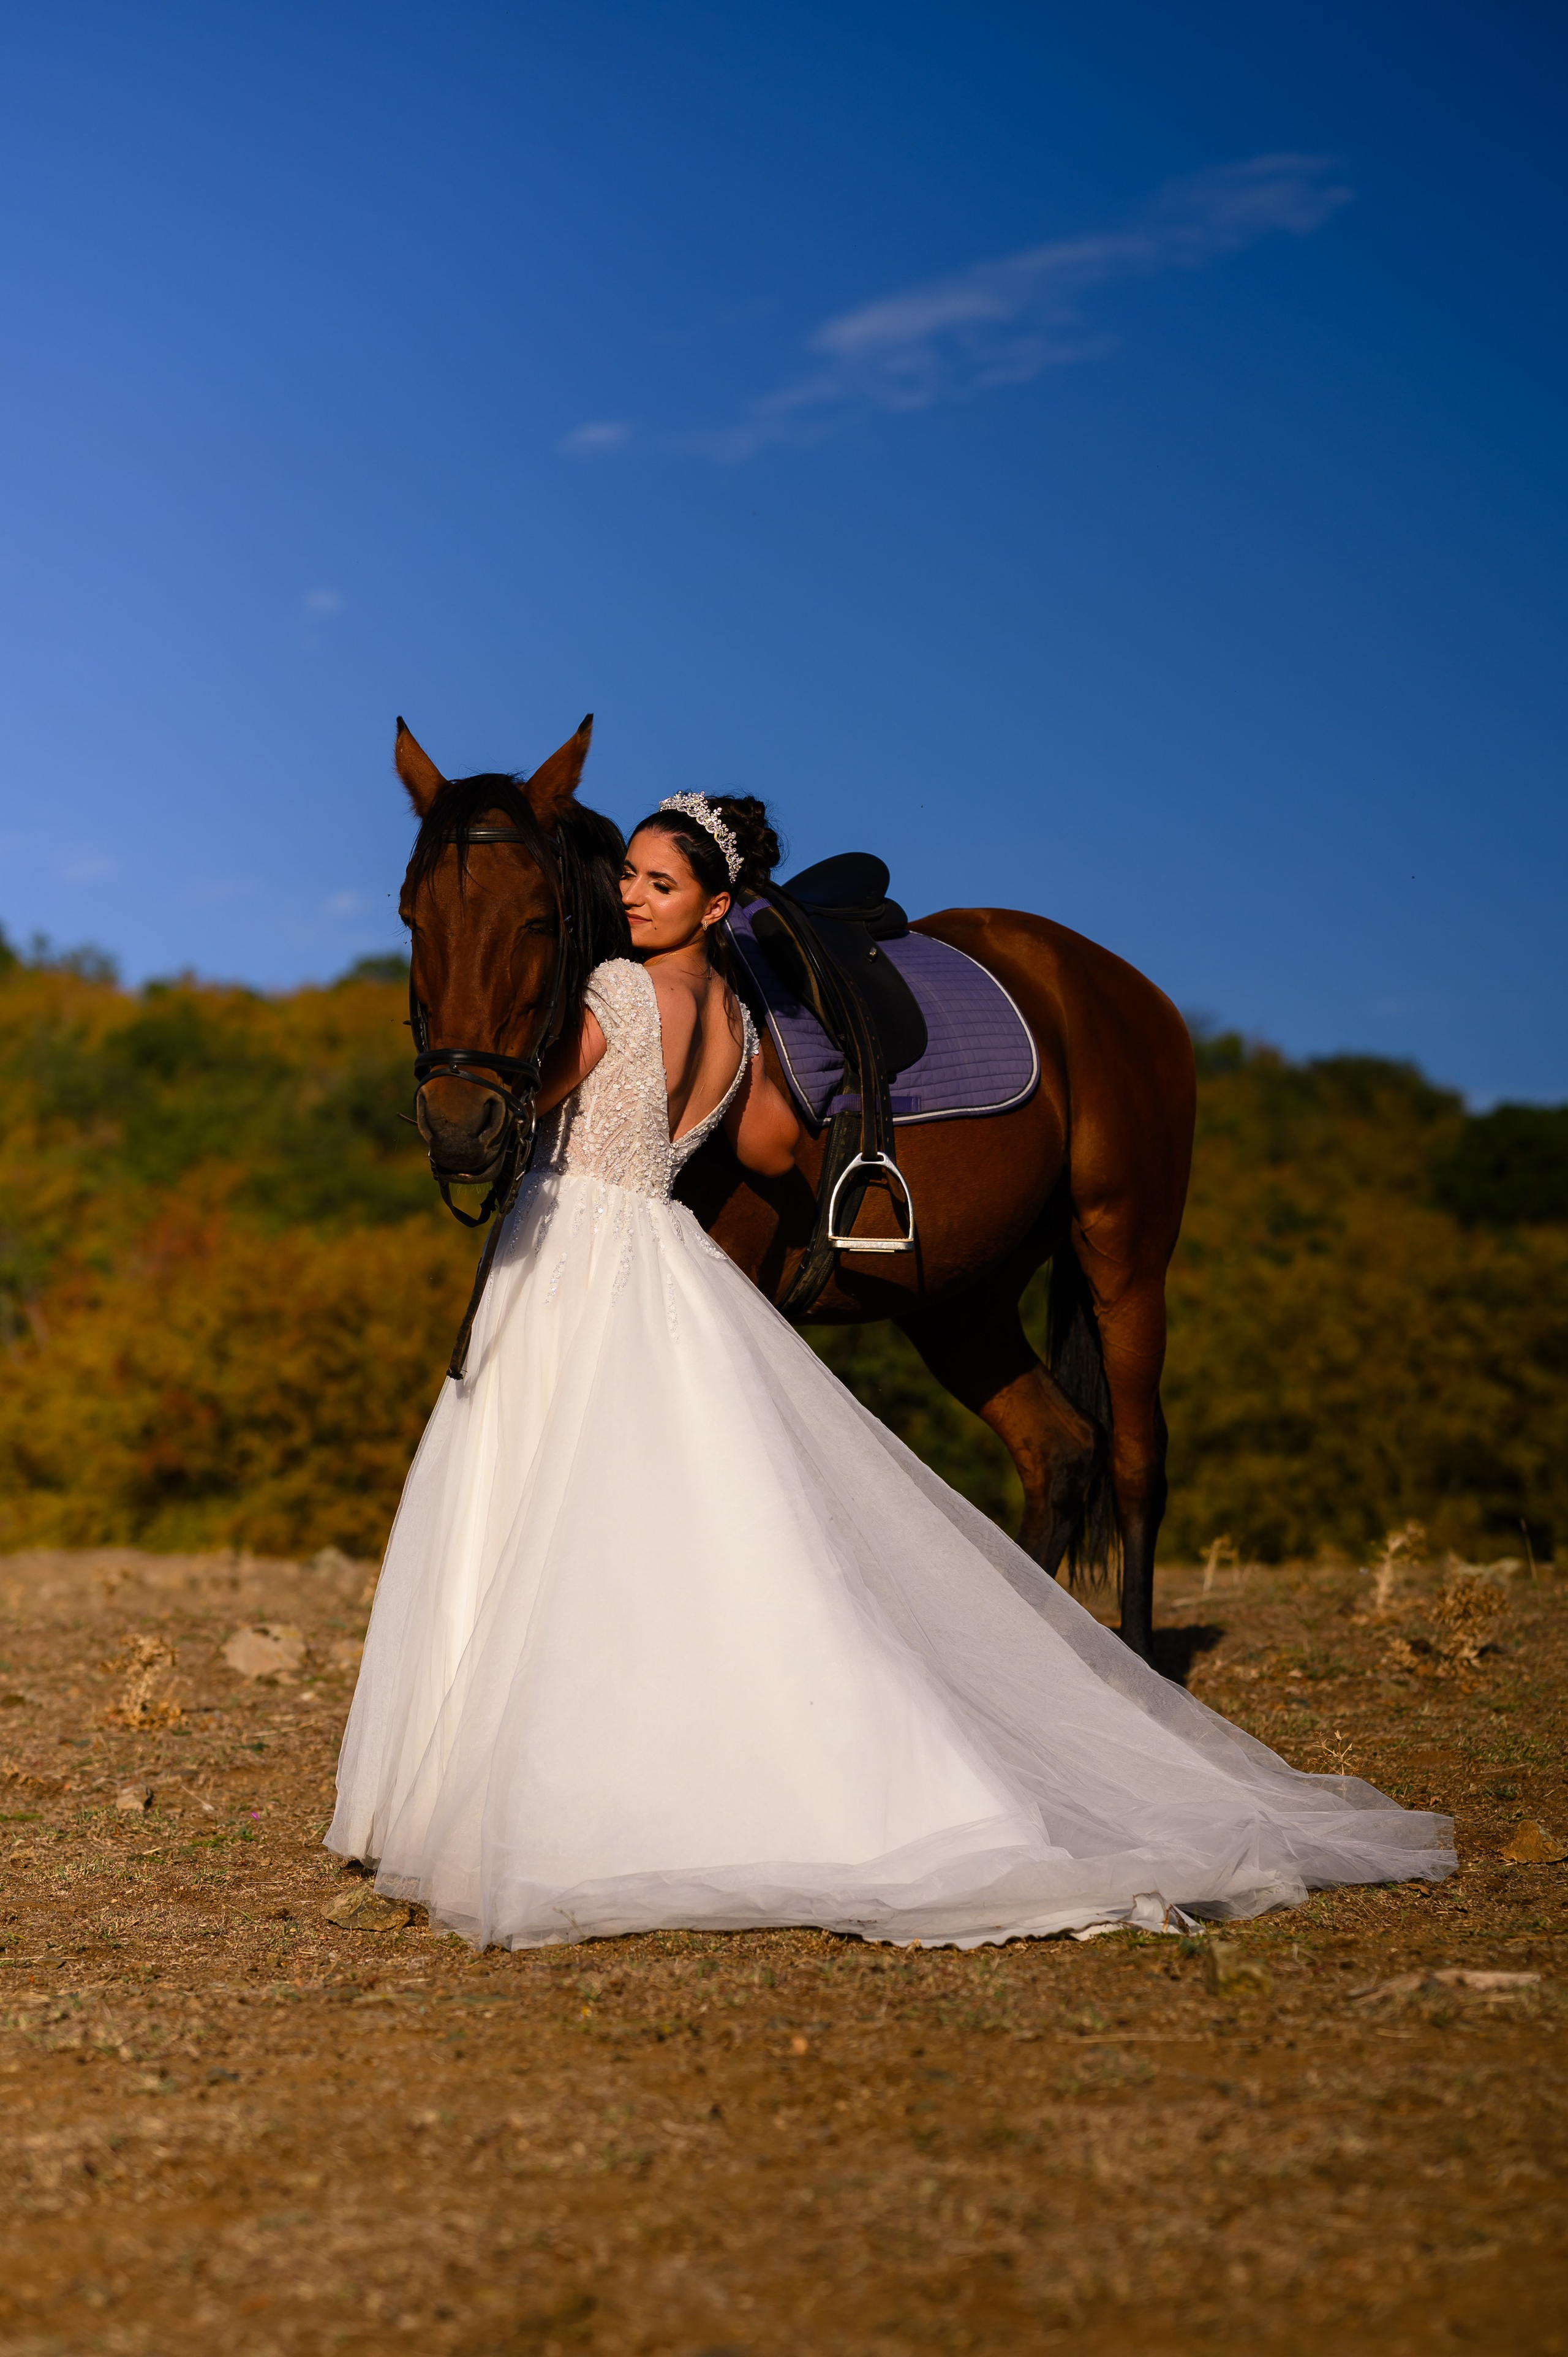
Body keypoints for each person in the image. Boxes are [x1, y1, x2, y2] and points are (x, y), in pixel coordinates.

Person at [328, 791, 1455, 1950]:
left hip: (583, 1257)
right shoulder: (734, 1010)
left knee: (533, 1500)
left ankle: (520, 1773)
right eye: (629, 878)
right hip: (654, 1255)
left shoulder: (619, 994)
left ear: (714, 903)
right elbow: (771, 1140)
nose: (628, 896)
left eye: (656, 886)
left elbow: (535, 1091)